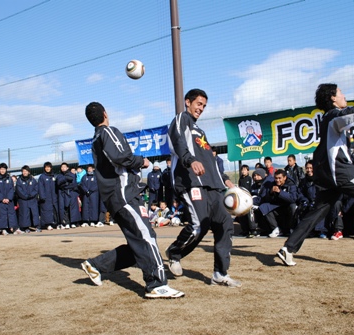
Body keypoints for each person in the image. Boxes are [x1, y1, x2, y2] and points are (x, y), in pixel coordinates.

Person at [277, 83, 354, 266]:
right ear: (332, 98)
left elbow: (336, 147)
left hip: (329, 175)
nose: (344, 95)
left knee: (317, 212)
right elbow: (349, 114)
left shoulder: (329, 120)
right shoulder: (334, 115)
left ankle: (288, 248)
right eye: (340, 92)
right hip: (340, 172)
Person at [81, 101, 184, 299]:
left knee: (138, 241)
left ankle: (96, 265)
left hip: (116, 198)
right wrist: (141, 160)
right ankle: (157, 283)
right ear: (105, 113)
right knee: (146, 236)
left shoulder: (95, 139)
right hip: (125, 195)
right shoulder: (107, 132)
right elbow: (120, 156)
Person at [164, 88, 241, 288]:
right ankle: (174, 253)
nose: (201, 108)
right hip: (190, 181)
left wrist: (225, 179)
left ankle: (219, 274)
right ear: (187, 102)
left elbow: (210, 159)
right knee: (198, 224)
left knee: (225, 224)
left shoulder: (200, 131)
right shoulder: (181, 119)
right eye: (199, 104)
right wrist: (190, 161)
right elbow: (177, 140)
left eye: (204, 106)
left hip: (213, 185)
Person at [253, 169, 298, 237]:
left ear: (284, 177)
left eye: (280, 178)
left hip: (288, 206)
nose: (277, 180)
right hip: (278, 206)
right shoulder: (272, 184)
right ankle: (276, 229)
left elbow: (293, 198)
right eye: (276, 178)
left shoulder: (291, 184)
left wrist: (280, 192)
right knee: (264, 206)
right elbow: (266, 199)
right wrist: (270, 193)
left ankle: (293, 228)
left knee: (293, 206)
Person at [0, 163, 21, 235]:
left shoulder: (9, 178)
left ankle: (13, 228)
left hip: (9, 200)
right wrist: (2, 198)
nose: (2, 171)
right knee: (1, 215)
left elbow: (12, 188)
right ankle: (3, 229)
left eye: (4, 169)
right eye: (1, 169)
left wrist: (8, 198)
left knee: (11, 214)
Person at [16, 165, 40, 233]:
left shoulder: (33, 179)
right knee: (24, 214)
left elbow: (36, 188)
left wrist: (31, 195)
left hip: (32, 199)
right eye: (23, 171)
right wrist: (25, 196)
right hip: (23, 200)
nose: (25, 172)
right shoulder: (19, 180)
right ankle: (25, 227)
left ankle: (36, 226)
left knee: (34, 213)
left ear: (29, 172)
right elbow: (19, 190)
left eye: (26, 171)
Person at [56, 162, 81, 229]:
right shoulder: (59, 176)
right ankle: (66, 222)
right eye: (62, 167)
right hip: (63, 194)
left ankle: (73, 222)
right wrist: (66, 180)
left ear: (67, 167)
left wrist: (65, 184)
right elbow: (58, 183)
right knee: (65, 208)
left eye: (64, 167)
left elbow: (73, 184)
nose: (63, 168)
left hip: (71, 193)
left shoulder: (72, 174)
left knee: (72, 208)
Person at [38, 162, 59, 230]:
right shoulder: (42, 177)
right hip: (46, 198)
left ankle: (55, 223)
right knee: (46, 211)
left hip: (53, 197)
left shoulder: (53, 176)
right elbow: (40, 187)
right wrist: (42, 196)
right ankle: (48, 224)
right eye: (46, 167)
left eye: (49, 167)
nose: (47, 168)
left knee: (54, 210)